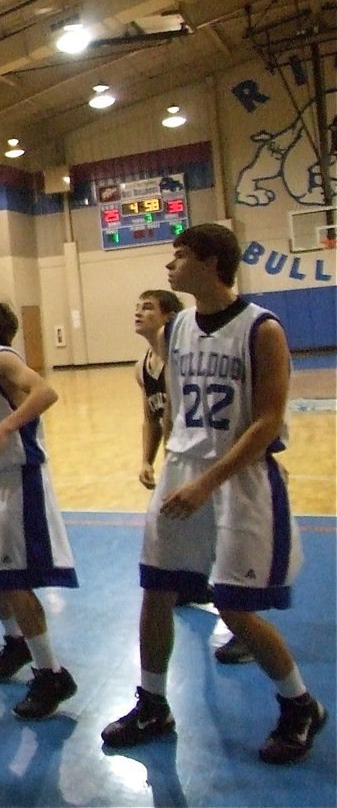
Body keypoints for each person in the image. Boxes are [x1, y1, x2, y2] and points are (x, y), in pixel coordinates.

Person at [101, 223, 326, 765]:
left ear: (208, 261)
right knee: (156, 590)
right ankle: (152, 702)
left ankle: (301, 705)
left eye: (178, 256)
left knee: (234, 605)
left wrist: (208, 480)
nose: (169, 266)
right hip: (185, 471)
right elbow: (171, 410)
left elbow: (269, 420)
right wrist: (170, 464)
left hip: (240, 480)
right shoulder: (175, 331)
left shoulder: (261, 329)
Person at [0, 294, 79, 720]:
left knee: (15, 580)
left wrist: (5, 430)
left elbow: (45, 392)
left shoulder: (2, 360)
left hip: (19, 480)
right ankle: (17, 642)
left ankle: (52, 673)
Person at [135, 289, 251, 666]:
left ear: (168, 317)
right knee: (177, 542)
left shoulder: (187, 354)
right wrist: (148, 460)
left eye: (147, 308)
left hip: (212, 463)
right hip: (181, 462)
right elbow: (153, 418)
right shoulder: (143, 367)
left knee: (225, 547)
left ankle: (245, 629)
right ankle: (190, 584)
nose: (138, 313)